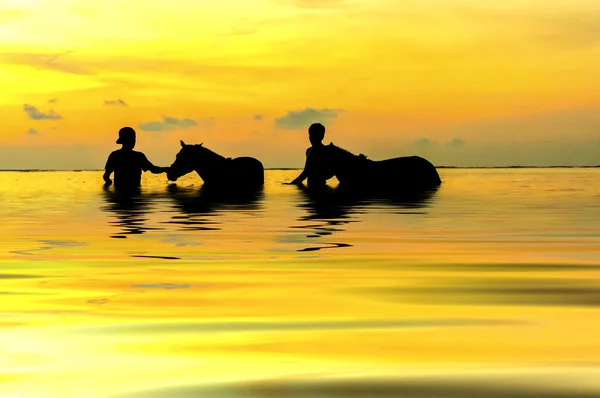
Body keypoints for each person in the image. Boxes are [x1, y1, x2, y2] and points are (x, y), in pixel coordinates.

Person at [103, 127, 169, 188]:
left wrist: (109, 185)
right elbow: (153, 169)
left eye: (134, 138)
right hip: (135, 192)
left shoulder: (115, 155)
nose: (134, 141)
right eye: (132, 139)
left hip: (119, 195)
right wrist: (166, 169)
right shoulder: (138, 156)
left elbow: (106, 176)